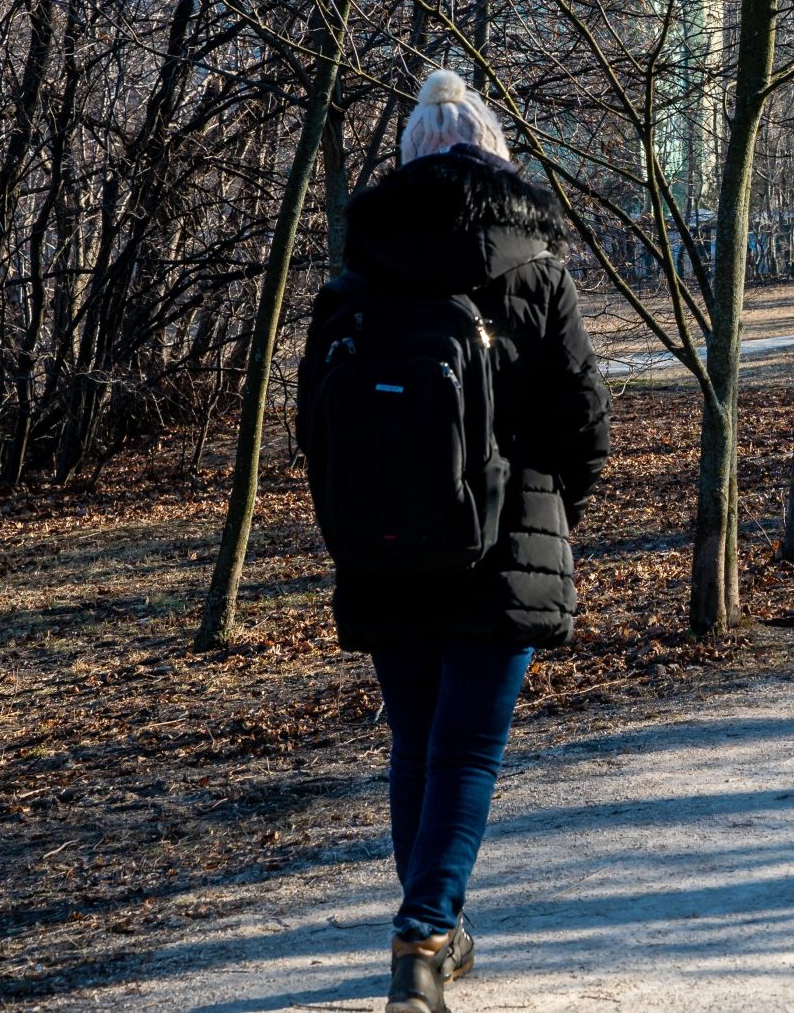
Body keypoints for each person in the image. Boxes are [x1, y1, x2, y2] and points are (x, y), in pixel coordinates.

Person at [298, 69, 612, 1013]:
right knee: (467, 753)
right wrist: (556, 511)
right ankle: (422, 935)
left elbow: (314, 427)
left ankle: (440, 923)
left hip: (386, 547)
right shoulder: (534, 267)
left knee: (417, 746)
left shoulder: (353, 278)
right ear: (496, 157)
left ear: (405, 163)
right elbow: (584, 422)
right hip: (504, 544)